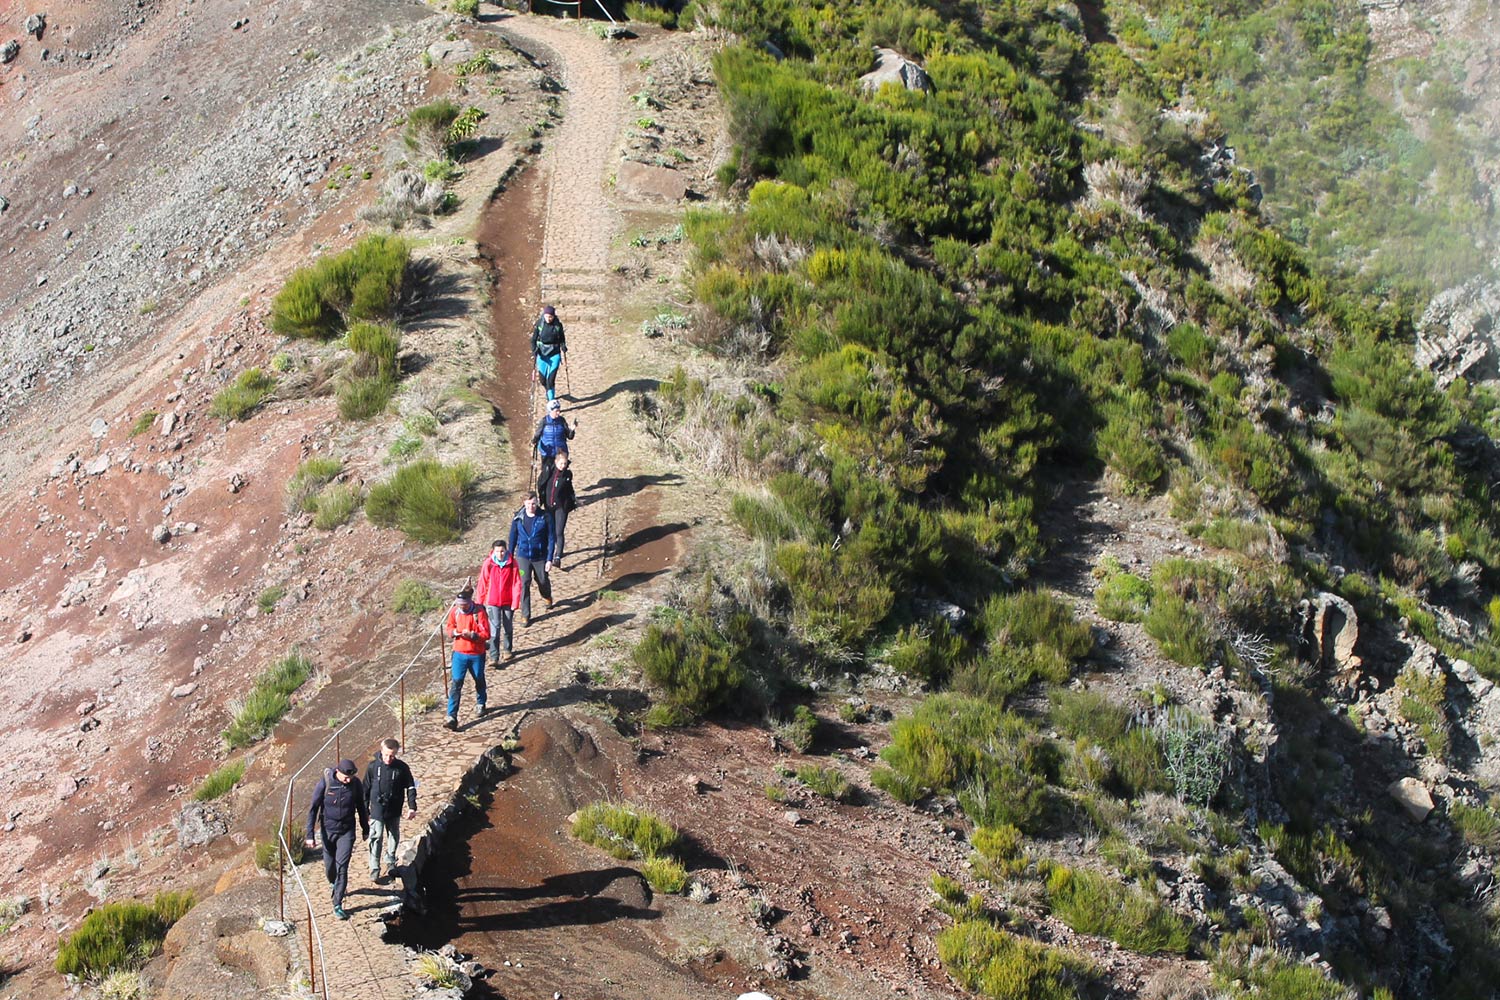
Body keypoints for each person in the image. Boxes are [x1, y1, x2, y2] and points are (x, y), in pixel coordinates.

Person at [304, 758, 369, 920]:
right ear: (338, 772)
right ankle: (334, 882)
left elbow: (361, 807)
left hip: (347, 832)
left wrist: (365, 829)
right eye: (346, 777)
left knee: (342, 867)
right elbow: (313, 809)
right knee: (330, 867)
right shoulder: (325, 783)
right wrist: (310, 835)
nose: (348, 780)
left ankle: (338, 903)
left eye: (351, 777)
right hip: (328, 830)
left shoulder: (355, 785)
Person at [363, 738, 417, 884]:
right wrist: (365, 811)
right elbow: (365, 789)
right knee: (376, 836)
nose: (388, 758)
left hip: (394, 808)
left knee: (393, 835)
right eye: (386, 755)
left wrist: (412, 807)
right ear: (381, 751)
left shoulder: (402, 768)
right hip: (377, 809)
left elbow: (411, 786)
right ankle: (374, 867)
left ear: (396, 754)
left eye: (392, 756)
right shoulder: (373, 767)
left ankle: (391, 861)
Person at [444, 585, 491, 730]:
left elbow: (486, 634)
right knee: (456, 684)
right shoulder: (455, 612)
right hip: (459, 653)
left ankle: (481, 703)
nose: (461, 608)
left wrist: (473, 636)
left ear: (470, 602)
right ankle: (452, 716)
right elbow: (449, 627)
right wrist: (454, 633)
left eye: (464, 605)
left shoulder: (479, 612)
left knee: (478, 678)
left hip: (476, 654)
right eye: (459, 605)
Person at [507, 491, 553, 626]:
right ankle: (525, 615)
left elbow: (551, 538)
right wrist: (510, 557)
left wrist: (549, 559)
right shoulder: (518, 518)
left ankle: (547, 596)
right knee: (524, 583)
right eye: (528, 504)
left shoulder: (545, 517)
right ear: (524, 504)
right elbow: (512, 538)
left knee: (542, 580)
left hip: (540, 556)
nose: (531, 506)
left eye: (533, 504)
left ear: (537, 503)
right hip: (523, 556)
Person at [475, 538, 522, 665]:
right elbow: (482, 583)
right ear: (493, 551)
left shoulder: (512, 563)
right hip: (492, 601)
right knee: (494, 628)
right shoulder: (489, 563)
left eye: (502, 551)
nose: (500, 554)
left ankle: (507, 650)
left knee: (507, 626)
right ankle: (494, 656)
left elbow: (517, 583)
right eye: (497, 551)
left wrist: (515, 601)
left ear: (505, 550)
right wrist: (480, 602)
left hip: (508, 601)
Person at [538, 451, 578, 570]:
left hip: (561, 507)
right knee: (550, 531)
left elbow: (569, 489)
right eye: (561, 463)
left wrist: (573, 500)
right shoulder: (548, 472)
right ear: (556, 462)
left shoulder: (567, 475)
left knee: (558, 531)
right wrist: (540, 500)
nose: (563, 466)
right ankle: (549, 551)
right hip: (549, 506)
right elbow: (541, 485)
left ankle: (558, 556)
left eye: (565, 463)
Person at [532, 397, 575, 493]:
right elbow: (537, 434)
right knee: (547, 474)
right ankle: (545, 493)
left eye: (559, 410)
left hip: (561, 454)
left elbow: (569, 436)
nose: (559, 413)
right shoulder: (544, 421)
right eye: (556, 411)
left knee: (561, 474)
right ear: (550, 411)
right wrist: (534, 441)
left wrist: (572, 430)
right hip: (547, 454)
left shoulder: (562, 421)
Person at [530, 303, 567, 402]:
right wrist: (534, 350)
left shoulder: (558, 325)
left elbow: (562, 338)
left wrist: (563, 346)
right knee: (542, 380)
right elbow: (533, 339)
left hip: (554, 355)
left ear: (553, 316)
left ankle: (551, 400)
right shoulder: (539, 324)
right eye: (546, 316)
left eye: (550, 316)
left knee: (550, 380)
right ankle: (548, 390)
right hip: (542, 355)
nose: (548, 318)